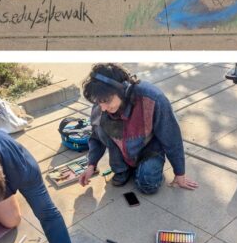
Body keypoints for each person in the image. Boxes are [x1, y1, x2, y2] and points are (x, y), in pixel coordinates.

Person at [78, 64, 198, 194]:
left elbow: (171, 136)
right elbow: (96, 137)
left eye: (107, 101)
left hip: (148, 149)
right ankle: (122, 169)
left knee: (148, 184)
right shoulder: (101, 103)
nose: (103, 108)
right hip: (121, 153)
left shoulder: (153, 97)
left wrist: (179, 174)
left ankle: (143, 169)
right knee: (100, 124)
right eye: (99, 102)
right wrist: (91, 165)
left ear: (122, 88)